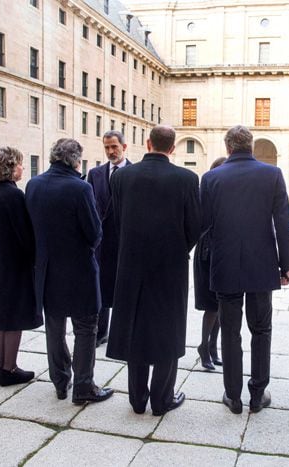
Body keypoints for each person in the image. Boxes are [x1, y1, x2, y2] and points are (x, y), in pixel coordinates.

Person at [107, 125, 200, 416]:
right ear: (172, 148)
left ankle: (137, 399)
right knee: (167, 329)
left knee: (135, 328)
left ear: (148, 144)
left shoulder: (121, 176)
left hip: (131, 264)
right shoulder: (186, 178)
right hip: (170, 266)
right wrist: (178, 247)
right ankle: (162, 399)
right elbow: (195, 225)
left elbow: (117, 220)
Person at [200, 125, 289, 414]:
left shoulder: (211, 178)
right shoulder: (272, 174)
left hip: (225, 264)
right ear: (251, 146)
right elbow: (282, 224)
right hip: (262, 265)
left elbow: (204, 225)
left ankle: (233, 395)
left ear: (228, 148)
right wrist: (286, 265)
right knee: (261, 329)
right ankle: (257, 393)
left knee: (230, 332)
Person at [25, 138, 113, 405]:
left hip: (47, 271)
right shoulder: (80, 188)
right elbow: (94, 233)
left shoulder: (33, 185)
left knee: (54, 328)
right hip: (79, 271)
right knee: (86, 328)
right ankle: (84, 386)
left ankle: (61, 382)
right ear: (75, 160)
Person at [0, 147, 42, 386]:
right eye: (19, 164)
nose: (22, 168)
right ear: (9, 167)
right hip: (14, 264)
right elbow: (25, 234)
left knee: (2, 318)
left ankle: (1, 366)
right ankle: (10, 368)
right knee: (14, 317)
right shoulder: (13, 195)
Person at [86, 130, 132, 348]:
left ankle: (123, 334)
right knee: (100, 289)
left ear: (124, 146)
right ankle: (100, 332)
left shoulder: (135, 173)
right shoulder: (94, 174)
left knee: (124, 289)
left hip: (125, 242)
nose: (111, 151)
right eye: (107, 147)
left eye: (114, 146)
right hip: (101, 244)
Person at [194, 156, 227, 371]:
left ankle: (212, 347)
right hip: (207, 251)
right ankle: (204, 347)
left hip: (223, 250)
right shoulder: (205, 192)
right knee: (211, 305)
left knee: (221, 305)